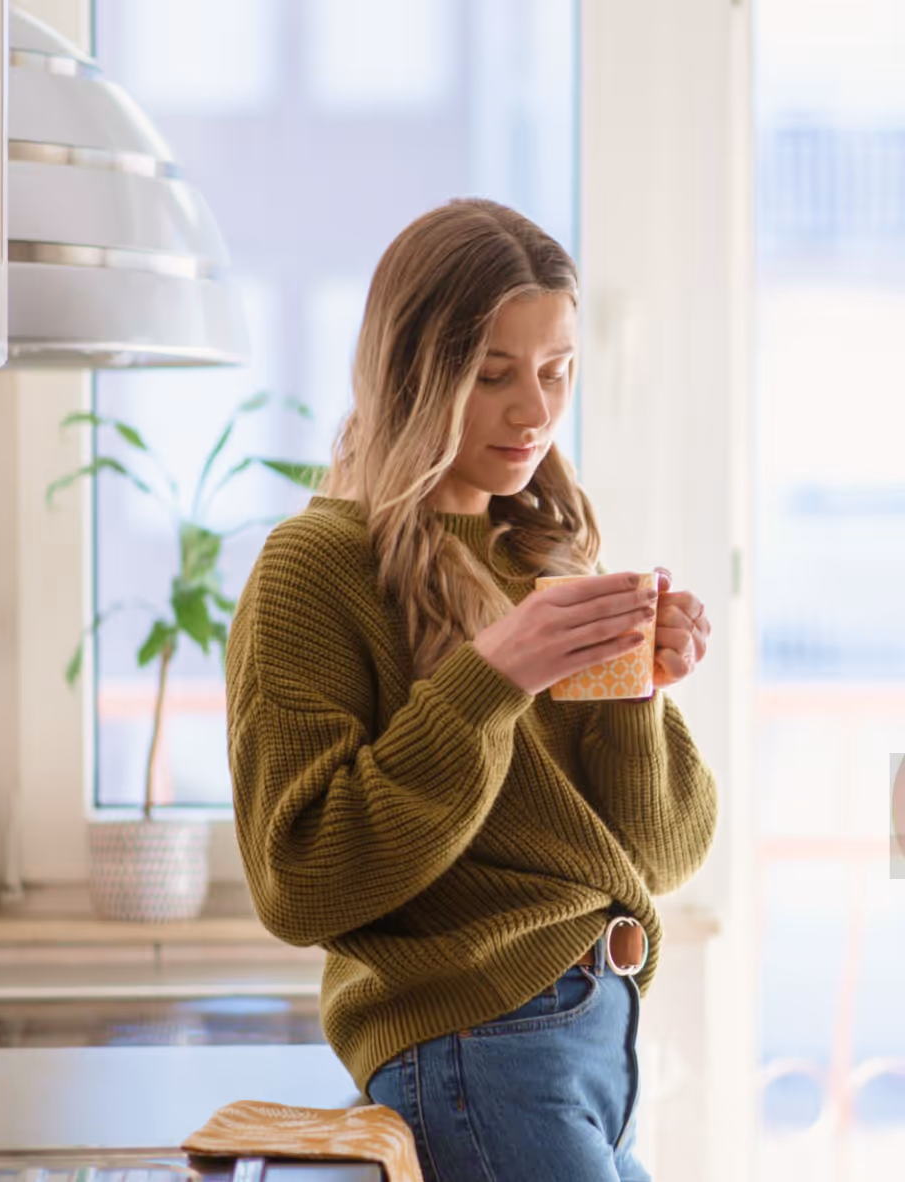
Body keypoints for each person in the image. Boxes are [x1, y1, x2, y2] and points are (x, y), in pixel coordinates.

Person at [225, 197, 717, 1182]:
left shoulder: (547, 555)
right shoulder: (316, 567)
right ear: (415, 371)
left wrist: (638, 696)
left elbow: (661, 855)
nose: (533, 411)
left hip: (595, 1039)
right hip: (478, 1047)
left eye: (556, 371)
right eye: (493, 376)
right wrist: (489, 680)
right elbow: (303, 877)